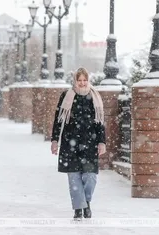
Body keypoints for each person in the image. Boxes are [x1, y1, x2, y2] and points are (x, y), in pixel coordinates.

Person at [50, 67, 106, 220]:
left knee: (90, 176)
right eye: (79, 80)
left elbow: (100, 122)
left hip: (90, 142)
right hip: (70, 143)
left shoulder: (95, 97)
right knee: (74, 178)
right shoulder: (66, 96)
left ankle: (86, 202)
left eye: (84, 80)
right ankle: (78, 208)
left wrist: (102, 142)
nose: (82, 83)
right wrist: (55, 140)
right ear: (74, 81)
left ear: (88, 80)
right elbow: (58, 120)